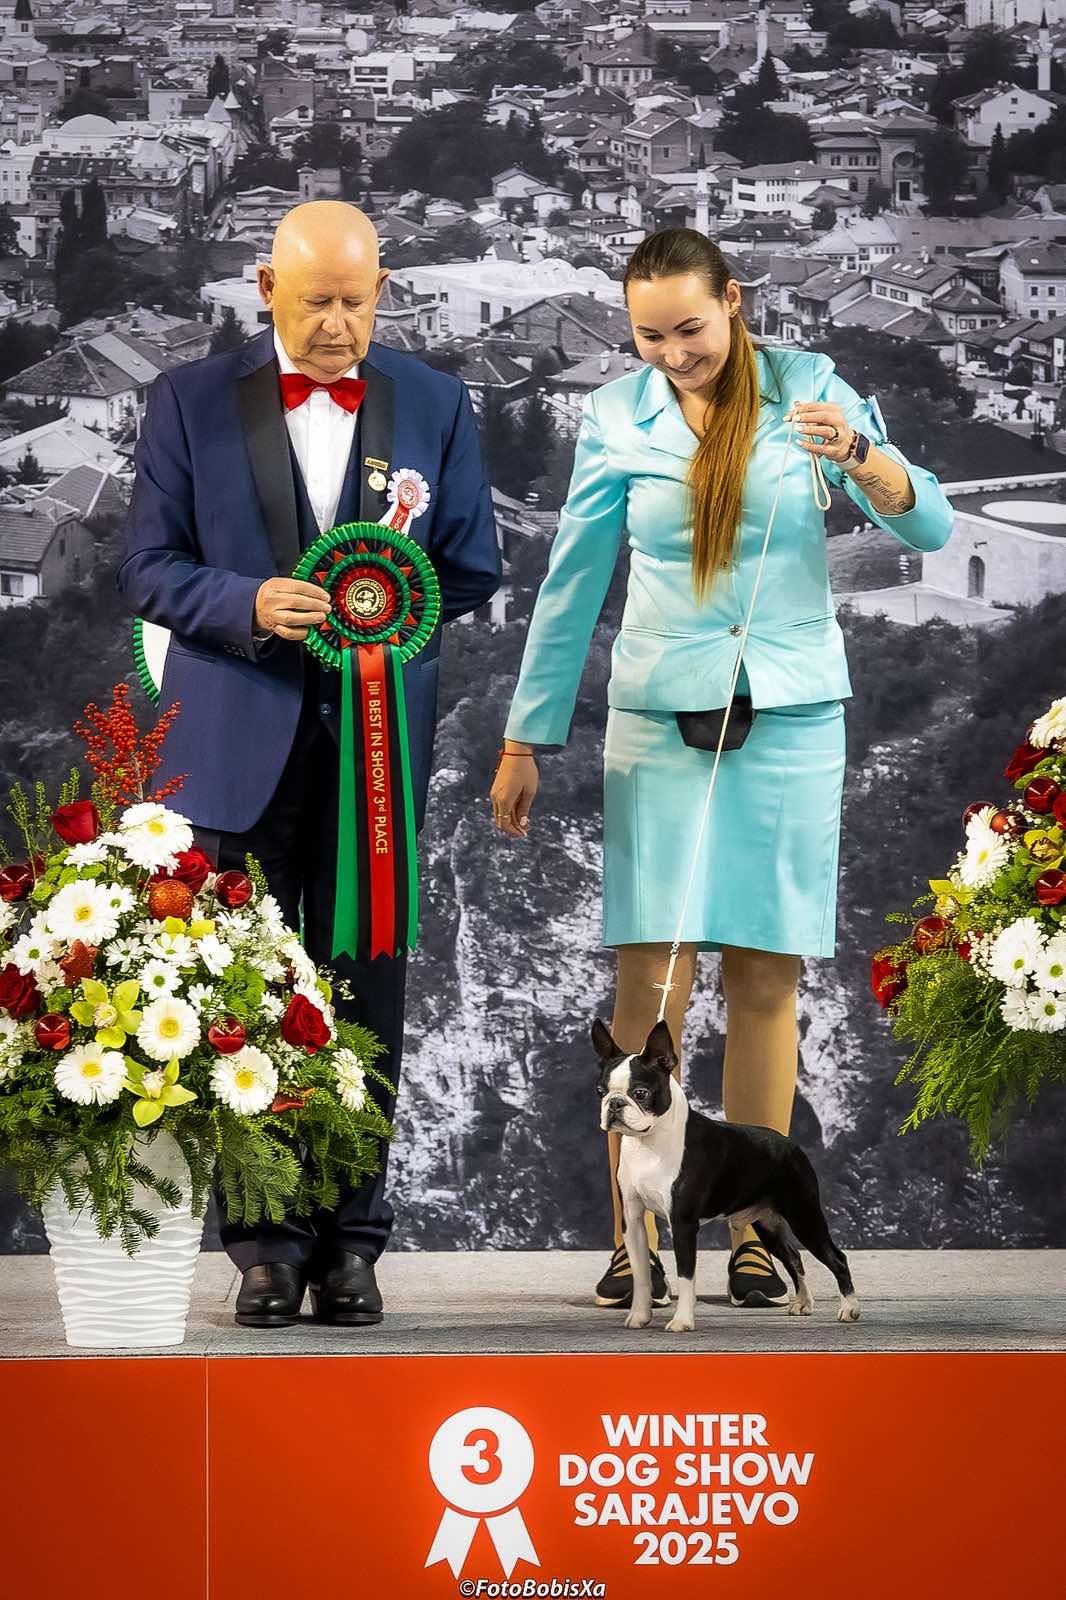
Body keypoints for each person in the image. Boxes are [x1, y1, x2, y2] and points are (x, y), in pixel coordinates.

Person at [490, 228, 953, 1312]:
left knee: (764, 976)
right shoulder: (614, 415)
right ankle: (636, 1244)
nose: (670, 352)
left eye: (689, 328)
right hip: (658, 714)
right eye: (648, 334)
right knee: (651, 980)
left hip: (790, 712)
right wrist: (526, 737)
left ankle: (754, 1234)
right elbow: (570, 582)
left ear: (733, 302)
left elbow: (923, 516)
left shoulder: (813, 388)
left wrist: (859, 455)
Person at [119, 201, 501, 1327]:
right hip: (231, 745)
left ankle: (354, 1243)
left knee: (363, 996)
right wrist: (248, 602)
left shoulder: (435, 402)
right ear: (262, 286)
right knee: (246, 1002)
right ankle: (264, 1246)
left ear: (384, 287)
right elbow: (148, 568)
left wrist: (388, 605)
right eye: (314, 302)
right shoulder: (187, 399)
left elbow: (470, 565)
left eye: (357, 300)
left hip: (375, 752)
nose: (338, 327)